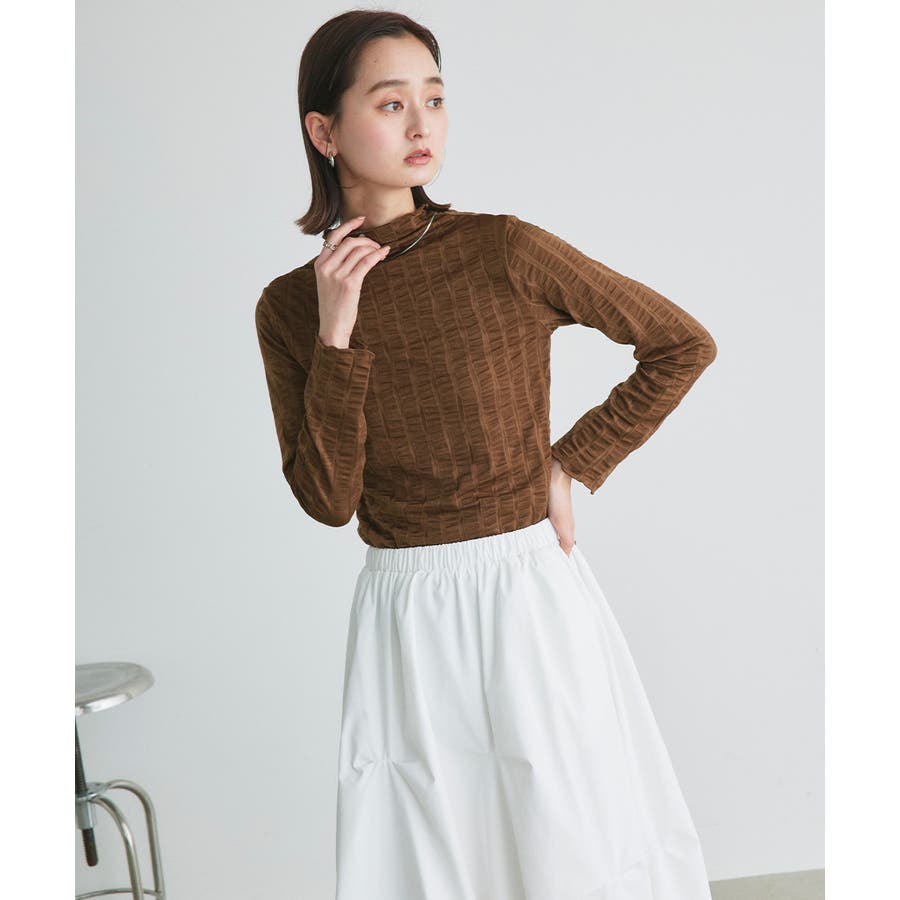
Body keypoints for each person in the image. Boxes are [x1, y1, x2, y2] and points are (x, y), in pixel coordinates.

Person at [255, 9, 717, 899]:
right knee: (430, 862)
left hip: (525, 590)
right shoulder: (290, 307)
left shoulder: (500, 248)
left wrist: (570, 463)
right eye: (391, 103)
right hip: (403, 610)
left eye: (433, 99)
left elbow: (679, 343)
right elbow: (327, 500)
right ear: (325, 131)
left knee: (569, 844)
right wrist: (337, 332)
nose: (421, 124)